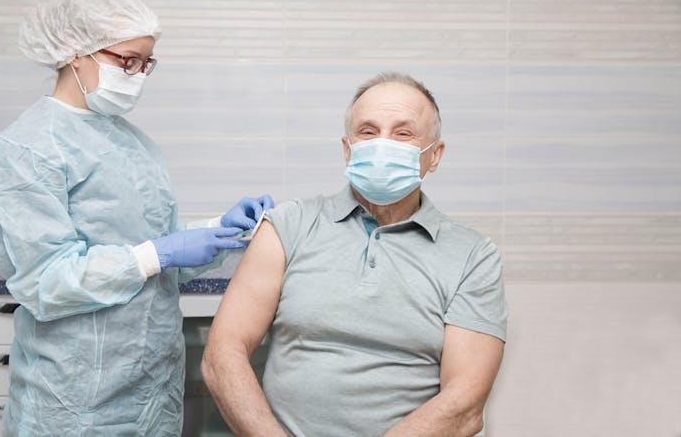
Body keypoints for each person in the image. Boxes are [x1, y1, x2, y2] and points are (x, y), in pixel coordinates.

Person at [0, 0, 273, 436]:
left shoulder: (133, 143)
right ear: (76, 52)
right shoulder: (29, 148)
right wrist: (160, 252)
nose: (136, 74)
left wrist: (218, 229)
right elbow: (45, 281)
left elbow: (156, 246)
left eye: (145, 64)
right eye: (126, 60)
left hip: (151, 393)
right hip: (73, 400)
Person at [201, 72, 508, 437]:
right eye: (368, 131)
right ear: (348, 149)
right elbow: (223, 355)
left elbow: (465, 404)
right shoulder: (289, 226)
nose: (382, 144)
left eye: (403, 133)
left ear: (434, 156)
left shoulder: (472, 256)